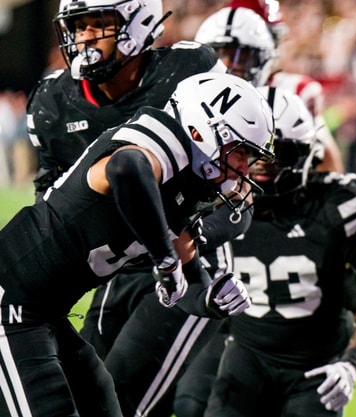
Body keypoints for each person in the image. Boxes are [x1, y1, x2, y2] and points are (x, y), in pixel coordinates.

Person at [25, 1, 249, 415]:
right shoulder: (52, 102)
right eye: (79, 25)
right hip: (114, 267)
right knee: (82, 396)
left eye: (98, 23)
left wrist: (197, 238)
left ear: (140, 21)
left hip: (187, 267)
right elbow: (49, 191)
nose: (86, 36)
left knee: (122, 400)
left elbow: (239, 189)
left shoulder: (189, 72)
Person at [173, 85, 356, 417]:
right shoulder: (211, 205)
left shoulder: (334, 209)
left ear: (307, 155)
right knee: (188, 404)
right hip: (243, 357)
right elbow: (178, 284)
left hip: (315, 370)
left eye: (277, 156)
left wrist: (350, 364)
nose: (261, 167)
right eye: (248, 153)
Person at [194, 1, 346, 173]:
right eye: (222, 54)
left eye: (243, 57)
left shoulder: (293, 92)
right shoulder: (189, 94)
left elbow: (327, 169)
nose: (231, 66)